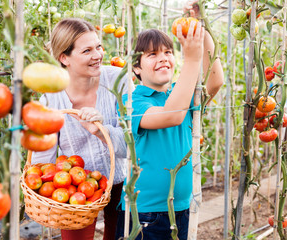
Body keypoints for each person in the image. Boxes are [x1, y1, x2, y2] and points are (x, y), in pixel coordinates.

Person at [115, 2, 224, 239]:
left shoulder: (181, 94)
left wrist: (200, 29)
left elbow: (215, 82)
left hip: (182, 208)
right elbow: (171, 115)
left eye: (167, 52)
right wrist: (192, 61)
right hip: (144, 214)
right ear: (136, 68)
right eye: (152, 55)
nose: (163, 58)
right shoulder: (131, 101)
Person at [31, 18, 132, 240]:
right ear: (64, 57)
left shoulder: (118, 81)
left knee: (119, 235)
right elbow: (42, 159)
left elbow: (133, 144)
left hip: (120, 182)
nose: (98, 55)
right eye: (87, 50)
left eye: (98, 47)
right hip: (75, 190)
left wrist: (100, 130)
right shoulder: (51, 99)